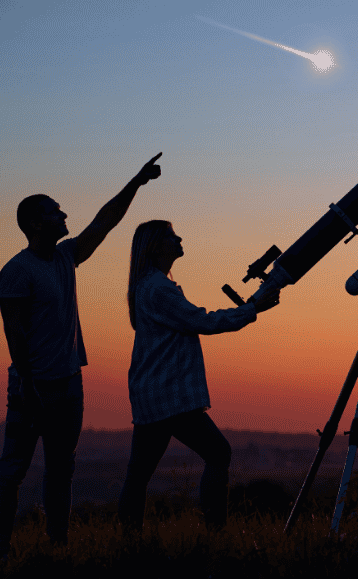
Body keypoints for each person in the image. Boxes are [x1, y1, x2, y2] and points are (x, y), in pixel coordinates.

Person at [0, 153, 163, 561]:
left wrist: (135, 183)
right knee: (13, 469)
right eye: (54, 211)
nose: (64, 214)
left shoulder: (67, 257)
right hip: (34, 385)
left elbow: (105, 221)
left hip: (69, 382)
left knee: (61, 468)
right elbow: (13, 332)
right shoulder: (16, 271)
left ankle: (57, 546)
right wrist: (29, 385)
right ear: (35, 223)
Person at [118, 220, 279, 536]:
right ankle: (215, 533)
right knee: (219, 453)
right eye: (170, 236)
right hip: (169, 396)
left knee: (138, 475)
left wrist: (252, 309)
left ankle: (130, 541)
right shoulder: (158, 288)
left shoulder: (152, 286)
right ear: (155, 246)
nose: (178, 239)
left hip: (155, 394)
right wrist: (252, 309)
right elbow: (201, 321)